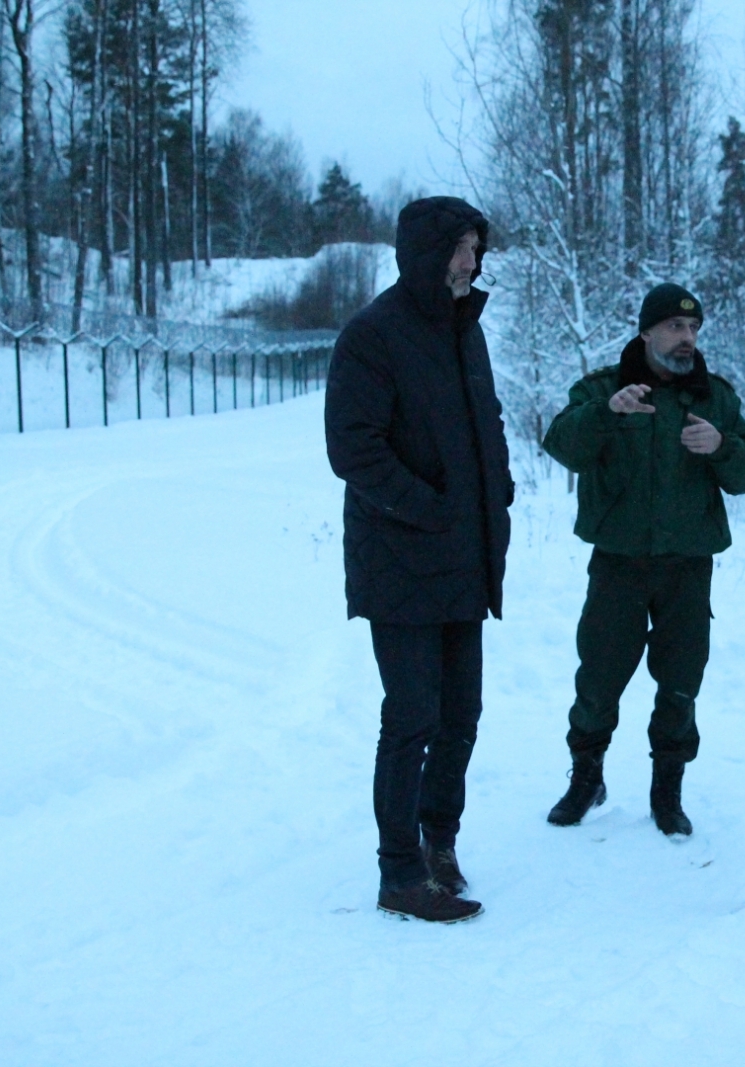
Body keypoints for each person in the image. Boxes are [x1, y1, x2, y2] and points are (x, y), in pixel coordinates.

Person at [324, 196, 513, 924]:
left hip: (464, 555)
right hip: (401, 559)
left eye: (475, 248)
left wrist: (497, 486)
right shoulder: (372, 336)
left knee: (460, 714)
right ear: (427, 255)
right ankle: (399, 872)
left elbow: (485, 418)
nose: (472, 261)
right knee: (412, 716)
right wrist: (432, 508)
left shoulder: (465, 328)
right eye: (461, 248)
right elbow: (354, 449)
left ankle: (440, 843)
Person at [541, 283, 745, 837]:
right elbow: (562, 446)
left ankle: (668, 789)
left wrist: (723, 447)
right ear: (646, 332)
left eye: (694, 328)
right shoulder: (603, 388)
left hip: (688, 565)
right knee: (599, 676)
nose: (687, 338)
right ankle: (586, 777)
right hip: (618, 561)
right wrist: (605, 414)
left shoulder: (715, 397)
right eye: (674, 327)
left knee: (681, 681)